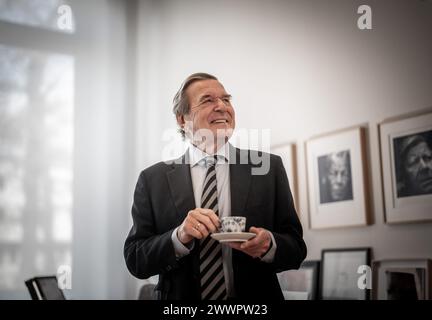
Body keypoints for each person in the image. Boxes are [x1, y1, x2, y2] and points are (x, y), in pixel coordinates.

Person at [124, 73, 307, 300]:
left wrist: (269, 245)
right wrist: (179, 237)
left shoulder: (268, 169)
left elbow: (297, 249)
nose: (222, 106)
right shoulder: (152, 180)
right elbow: (136, 259)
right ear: (182, 119)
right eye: (208, 100)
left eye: (226, 99)